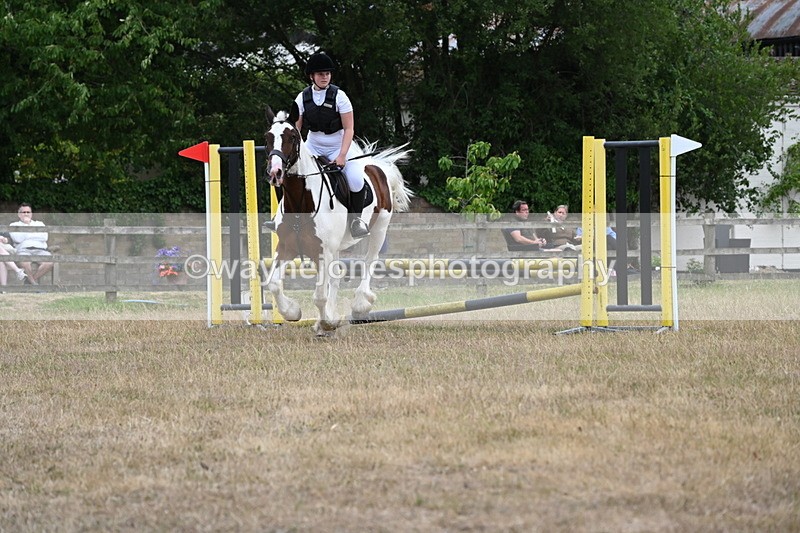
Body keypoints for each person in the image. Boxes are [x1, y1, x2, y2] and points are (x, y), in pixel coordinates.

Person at [292, 51, 370, 238]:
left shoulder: (340, 96)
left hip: (338, 144)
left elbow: (349, 129)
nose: (324, 77)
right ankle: (284, 216)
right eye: (320, 74)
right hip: (313, 145)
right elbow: (295, 130)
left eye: (327, 73)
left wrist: (342, 155)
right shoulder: (302, 98)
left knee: (356, 179)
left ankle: (356, 220)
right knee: (291, 175)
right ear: (312, 76)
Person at [9, 203, 53, 284]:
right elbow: (18, 239)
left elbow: (44, 237)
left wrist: (25, 233)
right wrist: (29, 228)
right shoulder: (14, 225)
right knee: (25, 263)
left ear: (31, 214)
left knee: (49, 262)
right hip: (23, 250)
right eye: (23, 212)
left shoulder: (39, 224)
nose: (26, 214)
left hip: (40, 250)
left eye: (28, 212)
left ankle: (30, 282)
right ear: (19, 214)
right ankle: (34, 285)